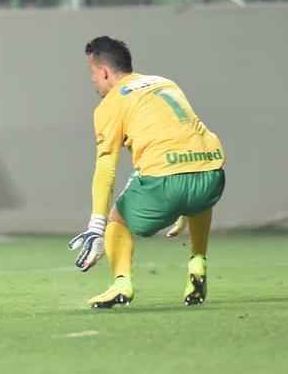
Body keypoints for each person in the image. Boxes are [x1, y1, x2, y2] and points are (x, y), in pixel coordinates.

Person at [69, 36, 226, 309]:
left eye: (92, 73)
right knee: (196, 180)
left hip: (164, 184)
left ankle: (121, 283)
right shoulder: (164, 83)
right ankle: (198, 260)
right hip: (212, 176)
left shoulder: (111, 104)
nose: (92, 80)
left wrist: (96, 226)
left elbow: (106, 168)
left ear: (104, 71)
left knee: (118, 218)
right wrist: (186, 206)